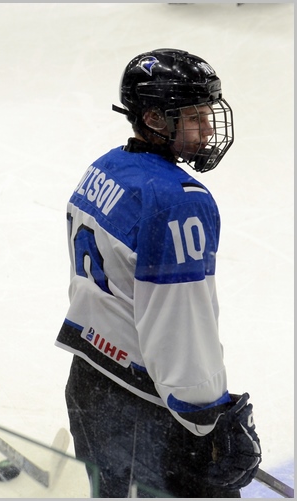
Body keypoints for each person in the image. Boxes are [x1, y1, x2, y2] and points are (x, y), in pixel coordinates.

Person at [55, 48, 261, 498]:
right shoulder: (177, 201)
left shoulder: (104, 168)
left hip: (89, 383)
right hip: (150, 413)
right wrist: (206, 416)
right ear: (153, 119)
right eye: (194, 117)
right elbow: (179, 325)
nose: (208, 129)